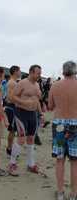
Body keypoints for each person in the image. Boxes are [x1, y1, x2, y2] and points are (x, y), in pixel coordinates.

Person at [48, 61, 77, 200]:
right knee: (74, 161)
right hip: (75, 124)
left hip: (59, 124)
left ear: (63, 71)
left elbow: (50, 106)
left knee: (60, 159)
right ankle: (73, 194)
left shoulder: (55, 86)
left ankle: (60, 193)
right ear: (75, 71)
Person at [10, 65, 42, 175]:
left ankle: (30, 164)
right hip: (21, 113)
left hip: (33, 114)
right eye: (38, 73)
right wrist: (24, 102)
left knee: (31, 139)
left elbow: (37, 99)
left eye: (40, 73)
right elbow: (12, 97)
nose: (39, 75)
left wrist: (41, 113)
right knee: (21, 139)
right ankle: (12, 163)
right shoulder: (22, 83)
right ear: (31, 72)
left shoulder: (37, 84)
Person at [5, 66, 21, 158]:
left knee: (14, 130)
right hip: (12, 108)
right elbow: (10, 98)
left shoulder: (13, 82)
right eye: (19, 71)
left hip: (13, 107)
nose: (20, 72)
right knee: (12, 130)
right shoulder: (12, 83)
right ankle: (9, 150)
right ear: (15, 71)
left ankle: (10, 148)